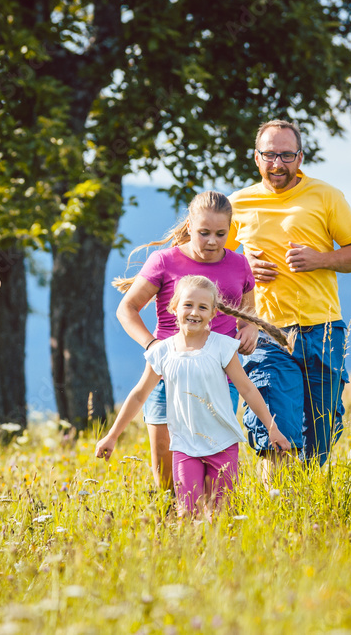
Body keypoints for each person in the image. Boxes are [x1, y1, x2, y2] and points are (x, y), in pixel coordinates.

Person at [226, 119, 351, 474]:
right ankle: (276, 502)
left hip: (323, 330)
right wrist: (244, 265)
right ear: (256, 157)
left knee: (320, 436)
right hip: (266, 333)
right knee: (275, 431)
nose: (278, 164)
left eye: (286, 155)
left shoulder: (327, 196)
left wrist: (320, 259)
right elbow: (210, 261)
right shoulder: (237, 204)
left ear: (300, 157)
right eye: (270, 155)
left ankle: (306, 500)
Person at [95, 276, 291, 515]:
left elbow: (247, 389)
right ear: (174, 307)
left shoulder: (222, 346)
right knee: (188, 513)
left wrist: (272, 428)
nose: (194, 312)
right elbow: (138, 395)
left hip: (222, 445)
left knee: (222, 514)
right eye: (188, 305)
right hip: (184, 447)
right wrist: (112, 436)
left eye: (203, 307)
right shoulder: (162, 351)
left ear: (213, 313)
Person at [114, 191, 257, 490]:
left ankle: (211, 519)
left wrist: (249, 329)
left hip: (219, 380)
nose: (212, 242)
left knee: (214, 472)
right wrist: (152, 345)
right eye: (204, 233)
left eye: (221, 234)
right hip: (167, 377)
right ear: (189, 226)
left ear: (230, 229)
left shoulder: (240, 265)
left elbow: (247, 315)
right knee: (168, 476)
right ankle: (172, 517)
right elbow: (126, 309)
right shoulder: (164, 261)